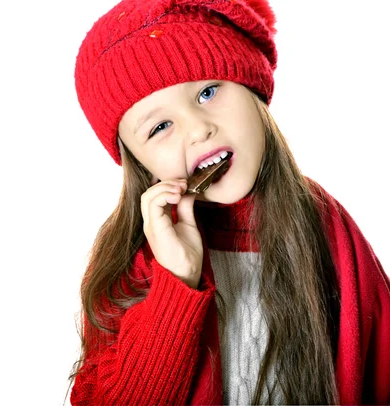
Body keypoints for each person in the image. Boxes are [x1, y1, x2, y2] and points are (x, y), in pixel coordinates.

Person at [66, 0, 390, 405]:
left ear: (252, 90)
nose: (199, 129)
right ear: (140, 162)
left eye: (207, 92)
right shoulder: (131, 258)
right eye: (160, 126)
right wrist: (176, 279)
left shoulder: (327, 225)